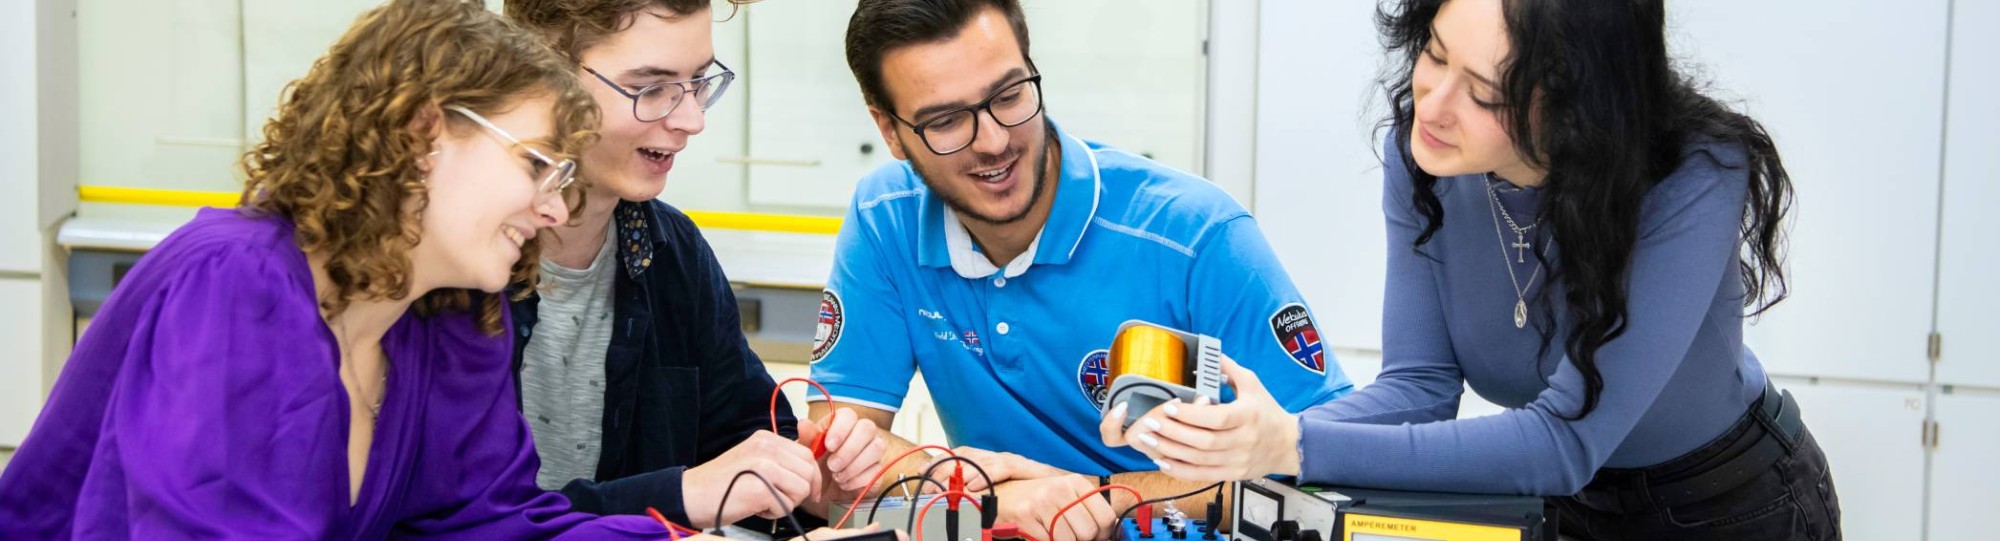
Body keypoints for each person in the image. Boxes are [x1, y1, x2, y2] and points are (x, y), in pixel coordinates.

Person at [1105, 1, 1841, 539]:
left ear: (1579, 110)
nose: (1434, 103)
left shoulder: (1693, 174)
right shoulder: (1422, 157)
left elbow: (1563, 442)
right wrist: (1242, 437)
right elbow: (1418, 387)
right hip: (1567, 510)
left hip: (1734, 506)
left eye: (1486, 93)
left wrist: (1293, 444)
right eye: (1433, 52)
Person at [0, 0, 666, 537]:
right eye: (536, 165)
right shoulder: (236, 282)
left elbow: (493, 521)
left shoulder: (448, 318)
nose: (555, 209)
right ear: (422, 134)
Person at [806, 1, 1354, 540]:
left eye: (1009, 95)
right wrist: (984, 496)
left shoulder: (1195, 234)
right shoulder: (885, 218)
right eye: (946, 122)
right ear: (891, 131)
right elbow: (838, 459)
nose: (994, 141)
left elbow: (1323, 459)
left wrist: (1096, 496)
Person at [502, 0, 888, 530]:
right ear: (541, 77)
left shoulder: (672, 250)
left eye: (699, 82)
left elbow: (743, 437)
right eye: (649, 88)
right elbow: (467, 520)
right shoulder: (455, 272)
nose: (693, 120)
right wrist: (683, 492)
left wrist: (812, 476)